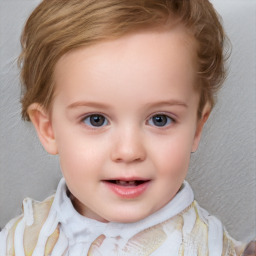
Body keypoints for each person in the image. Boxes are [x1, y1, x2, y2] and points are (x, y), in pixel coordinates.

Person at [0, 0, 250, 255]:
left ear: (197, 128)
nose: (129, 151)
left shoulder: (210, 249)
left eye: (160, 119)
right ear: (48, 128)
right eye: (96, 119)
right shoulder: (20, 239)